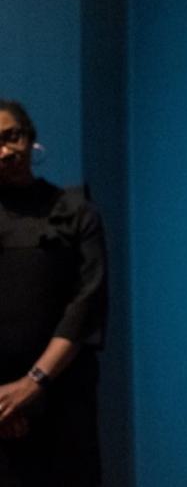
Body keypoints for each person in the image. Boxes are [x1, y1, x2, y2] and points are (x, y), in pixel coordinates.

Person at [0, 100, 107, 487]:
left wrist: (31, 385)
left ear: (30, 138)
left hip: (62, 398)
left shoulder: (76, 212)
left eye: (12, 136)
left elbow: (86, 303)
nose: (6, 150)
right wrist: (5, 405)